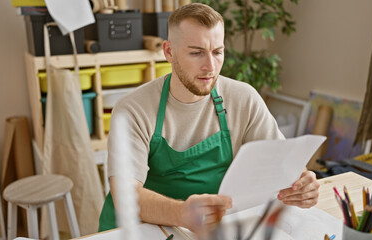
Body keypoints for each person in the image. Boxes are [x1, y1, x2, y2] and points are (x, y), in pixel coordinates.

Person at [99, 3, 320, 234]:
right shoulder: (133, 109)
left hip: (209, 227)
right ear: (169, 52)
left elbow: (282, 164)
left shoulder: (243, 98)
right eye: (196, 52)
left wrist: (302, 184)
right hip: (140, 228)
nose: (210, 67)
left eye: (217, 52)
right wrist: (182, 213)